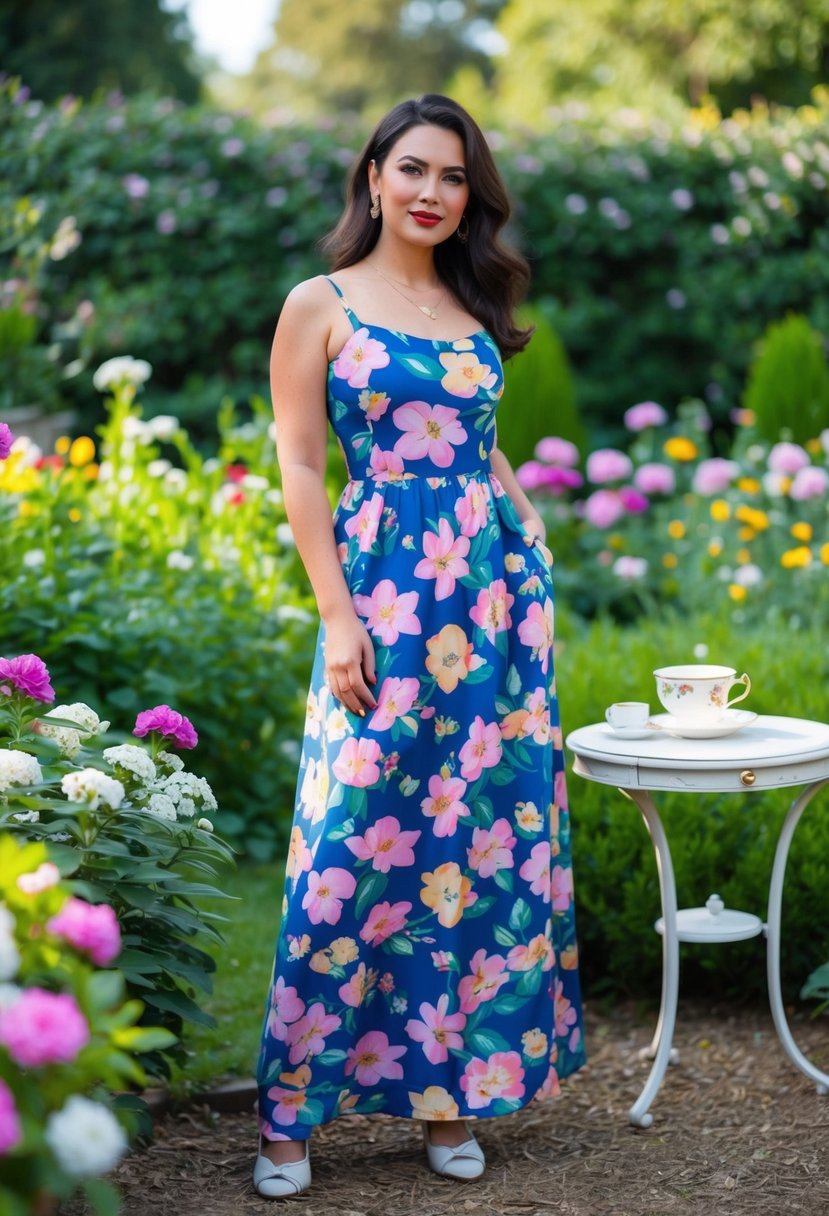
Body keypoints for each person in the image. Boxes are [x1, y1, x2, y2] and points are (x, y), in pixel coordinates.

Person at [254, 93, 585, 1200]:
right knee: (351, 845)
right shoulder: (321, 302)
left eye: (452, 176)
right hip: (386, 603)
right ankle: (289, 1119)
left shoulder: (468, 304)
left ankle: (450, 1093)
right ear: (373, 176)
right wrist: (338, 613)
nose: (431, 192)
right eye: (412, 169)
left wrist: (522, 513)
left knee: (471, 848)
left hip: (489, 612)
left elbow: (473, 441)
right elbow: (304, 465)